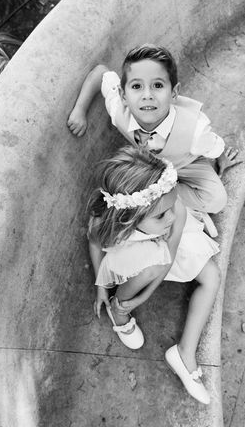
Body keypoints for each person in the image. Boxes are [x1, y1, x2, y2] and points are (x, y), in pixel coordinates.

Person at [87, 145, 221, 404]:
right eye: (161, 214)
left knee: (212, 275)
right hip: (134, 255)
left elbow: (167, 258)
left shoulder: (175, 211)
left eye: (171, 205)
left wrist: (144, 298)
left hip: (164, 252)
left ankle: (184, 353)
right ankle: (120, 307)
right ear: (128, 217)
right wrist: (101, 287)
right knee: (149, 266)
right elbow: (94, 243)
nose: (172, 215)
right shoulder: (108, 224)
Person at [68, 44, 240, 219]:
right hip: (149, 164)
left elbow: (214, 146)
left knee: (216, 201)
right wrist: (80, 110)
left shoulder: (195, 131)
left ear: (174, 93)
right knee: (118, 186)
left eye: (157, 85)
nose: (147, 95)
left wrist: (221, 158)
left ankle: (161, 194)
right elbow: (100, 74)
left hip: (186, 164)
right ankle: (153, 194)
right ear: (123, 95)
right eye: (136, 86)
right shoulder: (119, 110)